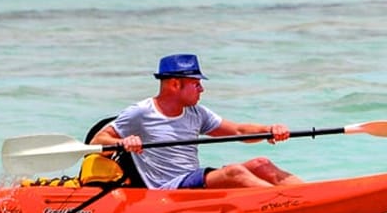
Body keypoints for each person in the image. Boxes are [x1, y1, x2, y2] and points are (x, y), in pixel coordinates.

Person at [89, 54, 303, 189]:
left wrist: (269, 129)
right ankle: (284, 202)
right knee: (235, 172)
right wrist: (123, 142)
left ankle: (309, 194)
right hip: (166, 188)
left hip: (191, 179)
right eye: (196, 83)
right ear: (175, 84)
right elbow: (97, 141)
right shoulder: (141, 112)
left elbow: (238, 131)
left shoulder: (196, 113)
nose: (202, 89)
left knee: (261, 164)